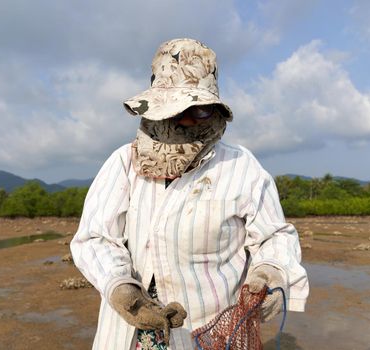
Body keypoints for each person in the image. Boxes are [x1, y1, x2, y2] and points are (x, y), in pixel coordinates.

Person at [70, 38, 309, 350]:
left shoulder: (240, 167)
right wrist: (120, 288)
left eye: (195, 110)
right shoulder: (123, 163)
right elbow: (95, 237)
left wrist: (269, 272)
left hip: (211, 332)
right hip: (131, 334)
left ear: (212, 110)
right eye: (173, 109)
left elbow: (275, 237)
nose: (183, 120)